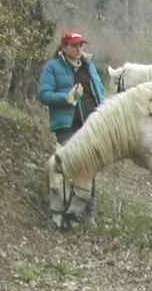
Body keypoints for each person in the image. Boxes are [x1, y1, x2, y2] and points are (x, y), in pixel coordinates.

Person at [37, 30, 106, 223]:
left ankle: (86, 212)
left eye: (81, 45)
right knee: (68, 165)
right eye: (74, 45)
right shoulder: (52, 67)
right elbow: (44, 94)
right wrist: (66, 97)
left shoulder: (88, 65)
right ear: (64, 47)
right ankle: (64, 209)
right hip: (67, 124)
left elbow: (99, 90)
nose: (78, 49)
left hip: (91, 123)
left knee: (89, 165)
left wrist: (105, 110)